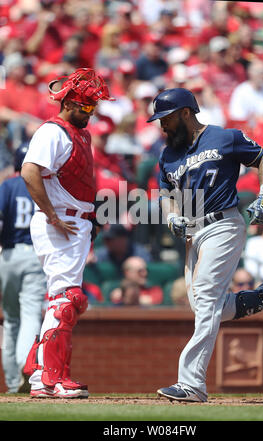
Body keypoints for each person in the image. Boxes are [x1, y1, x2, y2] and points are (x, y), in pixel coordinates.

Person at [146, 87, 263, 403]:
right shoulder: (168, 154)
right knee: (210, 306)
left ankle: (191, 384)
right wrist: (172, 214)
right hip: (192, 233)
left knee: (205, 299)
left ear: (185, 113)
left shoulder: (224, 137)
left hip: (223, 224)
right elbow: (165, 193)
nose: (162, 125)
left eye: (166, 118)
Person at [20, 68, 114, 399]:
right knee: (65, 300)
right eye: (86, 106)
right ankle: (52, 377)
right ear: (70, 102)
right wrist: (51, 215)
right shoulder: (53, 131)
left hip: (75, 221)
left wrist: (92, 217)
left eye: (93, 107)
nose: (90, 112)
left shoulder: (79, 134)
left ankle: (41, 375)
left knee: (64, 300)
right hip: (60, 222)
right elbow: (29, 172)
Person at [0, 145, 47, 394]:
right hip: (33, 255)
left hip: (7, 255)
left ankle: (11, 382)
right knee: (30, 314)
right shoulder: (41, 185)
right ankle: (24, 366)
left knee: (10, 320)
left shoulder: (7, 185)